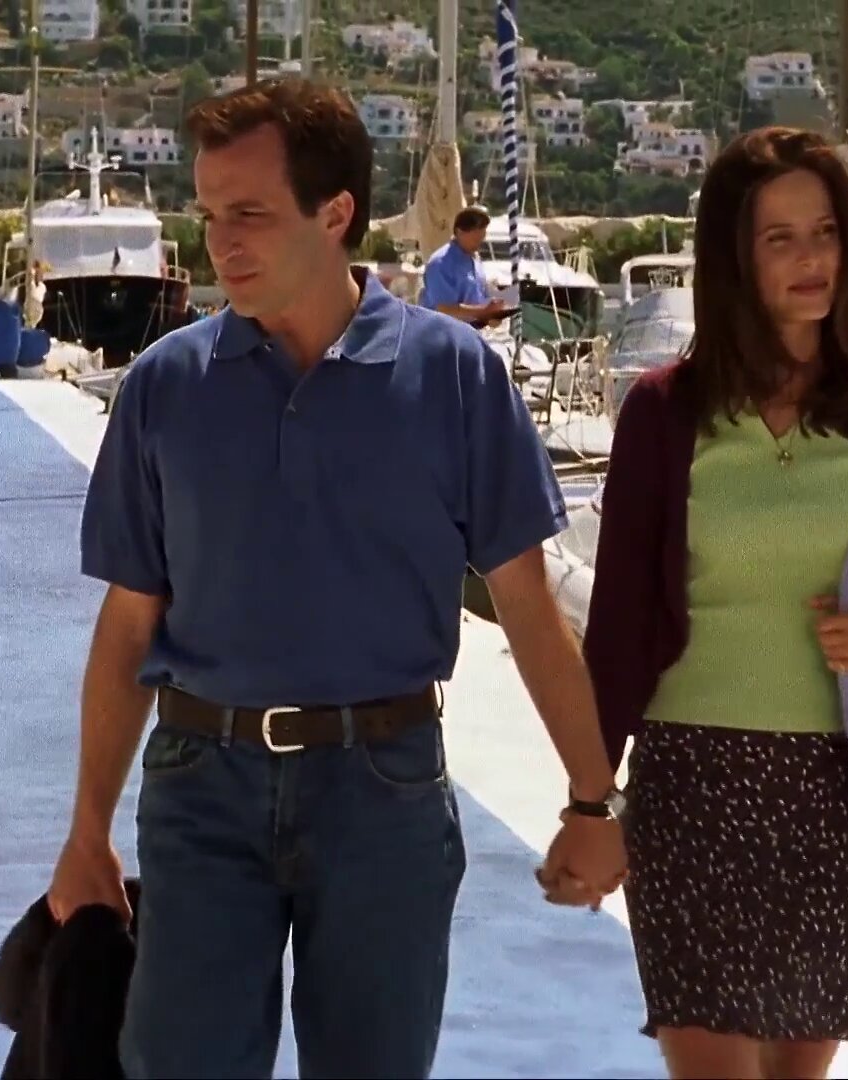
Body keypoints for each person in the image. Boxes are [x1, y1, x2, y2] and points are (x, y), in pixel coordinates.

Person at [47, 77, 627, 1079]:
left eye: (250, 214)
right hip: (200, 787)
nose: (221, 243)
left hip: (383, 794)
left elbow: (530, 608)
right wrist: (86, 830)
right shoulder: (165, 386)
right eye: (210, 214)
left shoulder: (455, 376)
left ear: (336, 212)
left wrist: (592, 802)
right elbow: (129, 622)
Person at [582, 126, 848, 1080]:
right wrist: (588, 800)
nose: (813, 259)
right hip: (690, 787)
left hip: (841, 790)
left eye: (826, 232)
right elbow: (618, 627)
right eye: (780, 239)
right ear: (735, 257)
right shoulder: (664, 413)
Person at [420, 206, 510, 326]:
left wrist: (493, 314)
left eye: (482, 237)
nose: (479, 243)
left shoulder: (475, 259)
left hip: (473, 331)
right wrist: (484, 312)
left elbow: (479, 298)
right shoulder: (440, 263)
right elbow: (444, 309)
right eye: (475, 238)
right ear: (459, 232)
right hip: (444, 333)